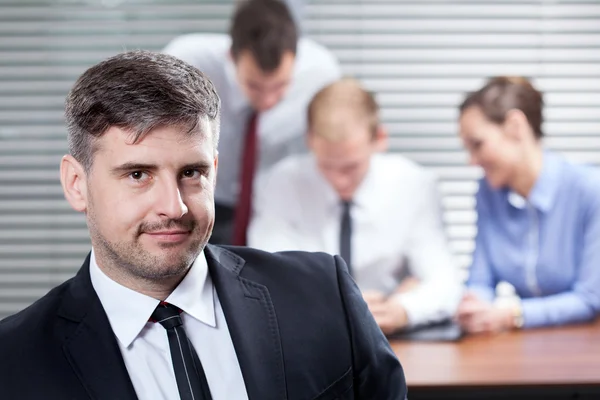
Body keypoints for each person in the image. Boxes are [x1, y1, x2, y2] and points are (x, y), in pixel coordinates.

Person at [0, 51, 406, 399]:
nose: (173, 207)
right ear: (77, 184)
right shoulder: (14, 360)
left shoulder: (323, 295)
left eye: (191, 172)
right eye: (138, 174)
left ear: (214, 169)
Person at [248, 78, 463, 335]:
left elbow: (444, 282)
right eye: (327, 165)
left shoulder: (414, 185)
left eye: (351, 167)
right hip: (308, 336)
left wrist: (403, 308)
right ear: (310, 141)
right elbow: (270, 279)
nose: (340, 180)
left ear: (380, 139)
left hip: (390, 339)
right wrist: (344, 306)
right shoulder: (281, 184)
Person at [163, 0, 340, 246]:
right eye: (254, 86)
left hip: (273, 210)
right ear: (230, 58)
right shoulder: (188, 65)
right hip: (206, 201)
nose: (267, 100)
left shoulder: (319, 74)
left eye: (279, 87)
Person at [456, 76, 600, 334]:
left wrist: (513, 315)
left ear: (515, 126)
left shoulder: (589, 190)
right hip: (523, 345)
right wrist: (473, 306)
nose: (472, 161)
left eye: (477, 145)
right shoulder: (487, 194)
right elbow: (480, 280)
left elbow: (590, 299)